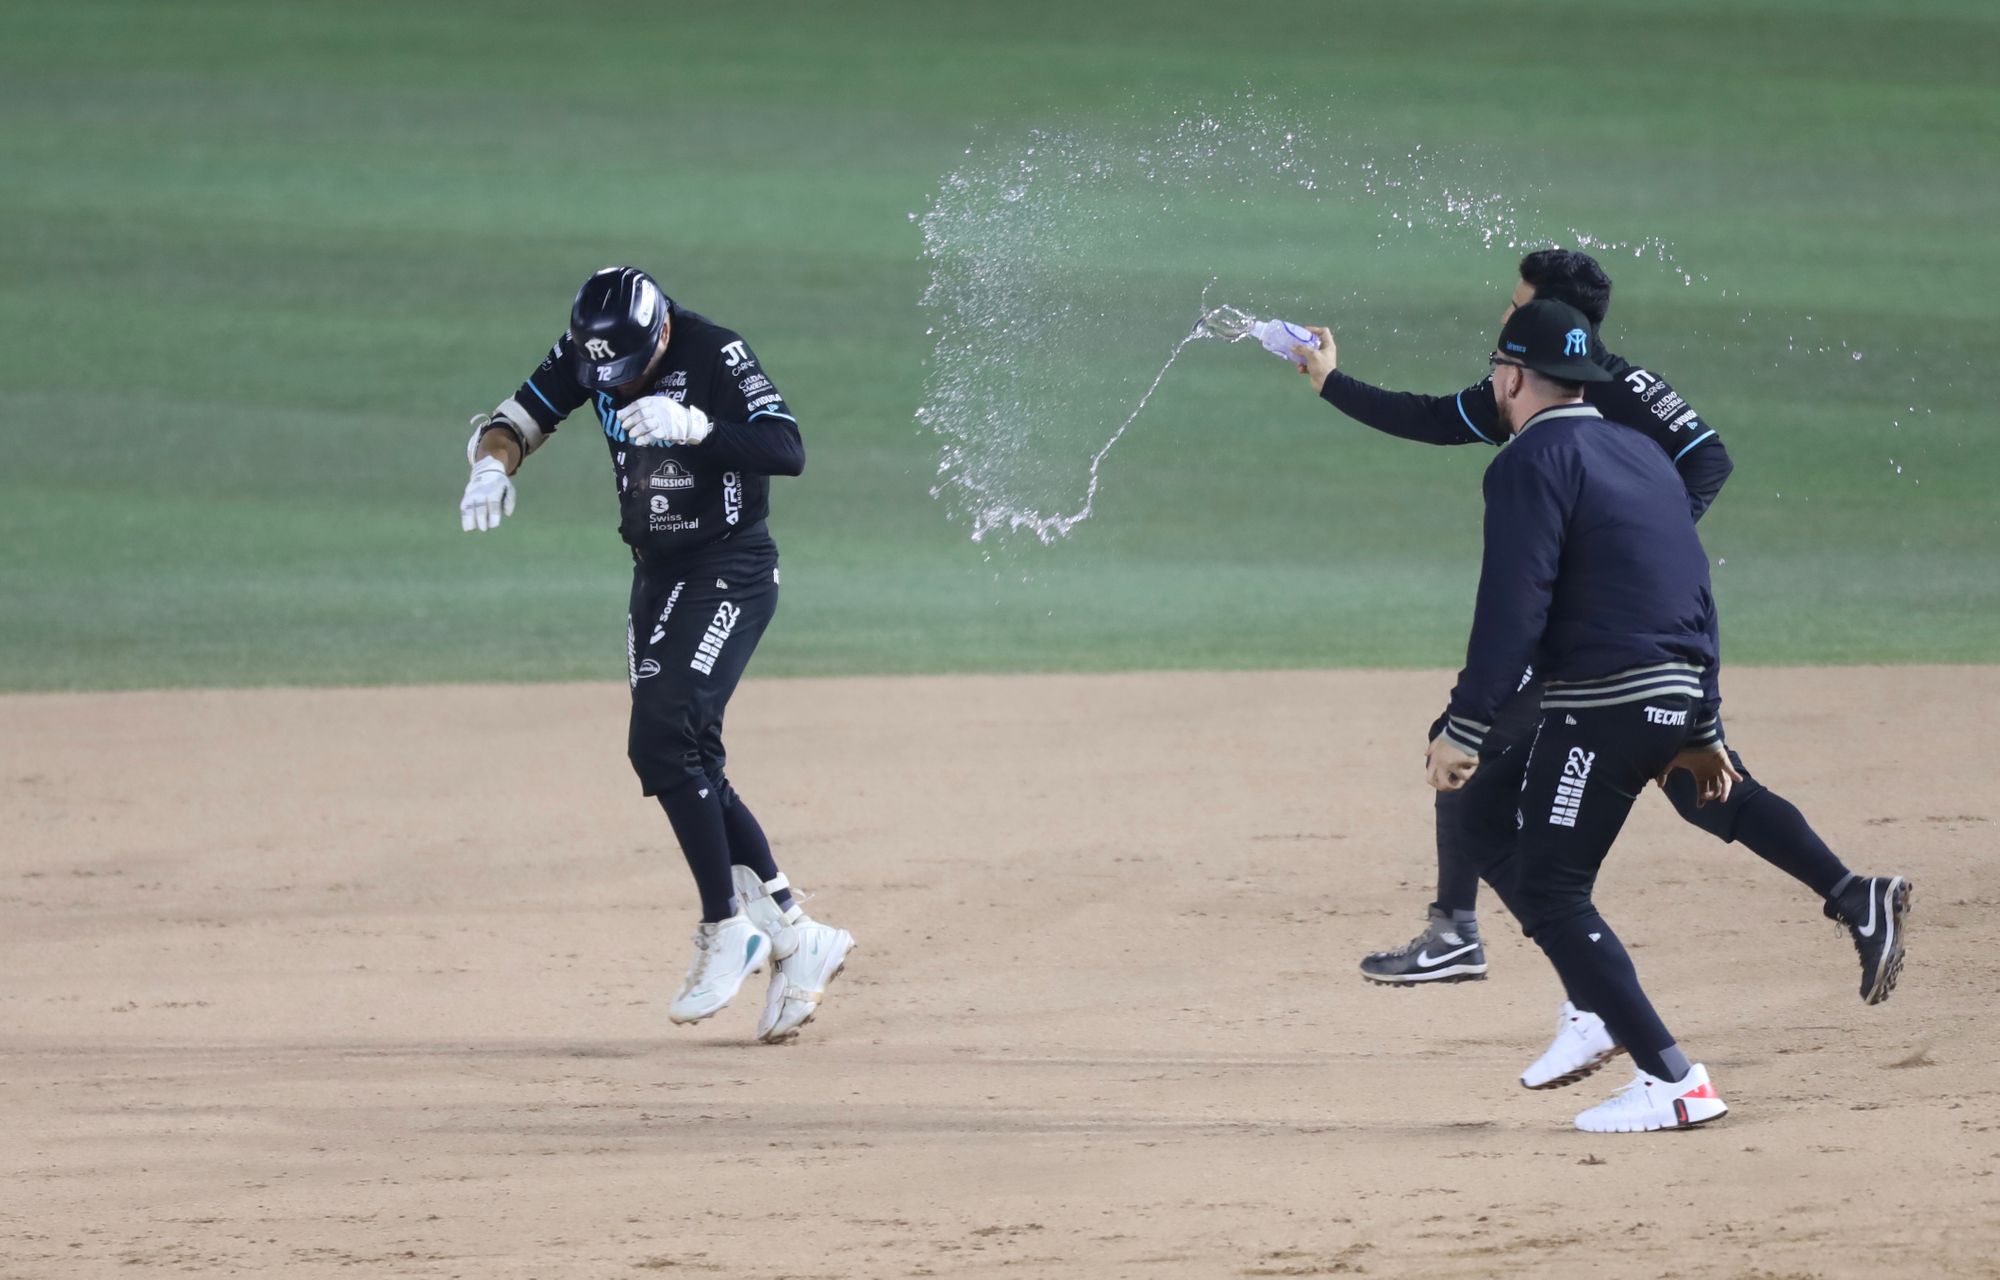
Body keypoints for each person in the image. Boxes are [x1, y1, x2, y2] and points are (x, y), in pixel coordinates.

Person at [1289, 249, 1907, 1074]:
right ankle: (1849, 894)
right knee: (1693, 778)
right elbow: (1435, 417)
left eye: (1515, 305)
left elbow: (1708, 461)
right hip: (1660, 635)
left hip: (1608, 634)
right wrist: (1332, 381)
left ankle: (1468, 938)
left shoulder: (1599, 390)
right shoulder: (1542, 391)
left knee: (1474, 753)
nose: (1502, 317)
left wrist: (1625, 547)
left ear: (1548, 324)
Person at [457, 266, 854, 1043]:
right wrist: (488, 465)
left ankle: (727, 926)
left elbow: (788, 446)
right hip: (656, 573)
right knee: (686, 753)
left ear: (661, 329)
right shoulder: (589, 351)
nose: (617, 381)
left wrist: (699, 429)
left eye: (631, 366)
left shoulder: (716, 352)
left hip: (730, 569)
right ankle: (800, 937)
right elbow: (515, 420)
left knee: (661, 738)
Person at [1425, 298, 1738, 1131]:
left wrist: (1466, 723)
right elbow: (1691, 588)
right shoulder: (1639, 449)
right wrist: (1703, 723)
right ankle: (1594, 998)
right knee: (1488, 814)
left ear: (1515, 377)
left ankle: (1674, 1080)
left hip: (1603, 705)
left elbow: (1513, 607)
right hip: (1672, 686)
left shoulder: (1527, 462)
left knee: (1552, 887)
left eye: (1496, 369)